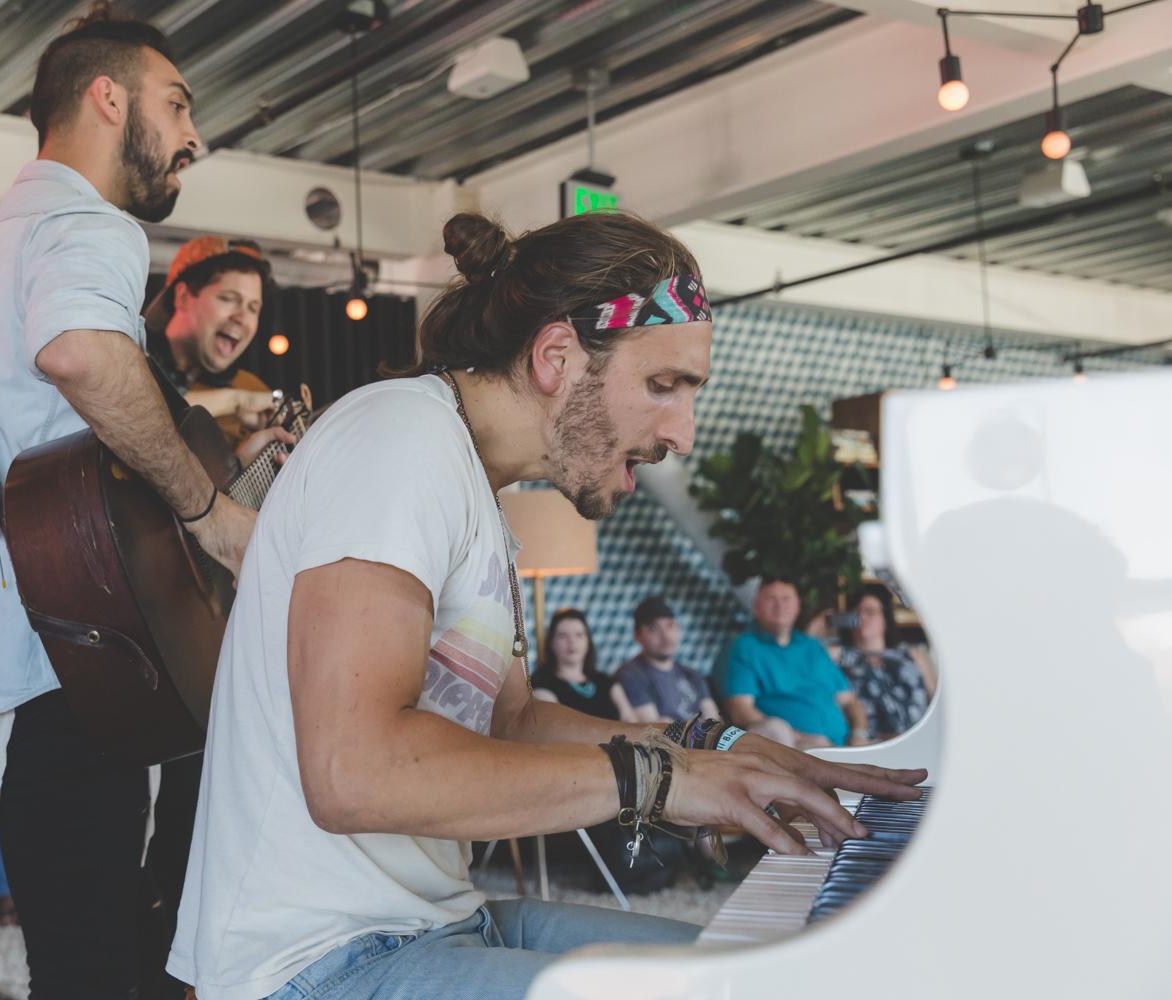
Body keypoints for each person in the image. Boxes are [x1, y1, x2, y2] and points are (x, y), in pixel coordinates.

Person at [168, 210, 926, 1000]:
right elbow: (351, 773)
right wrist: (654, 781)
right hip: (313, 961)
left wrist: (705, 747)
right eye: (663, 386)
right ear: (557, 356)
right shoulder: (399, 439)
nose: (685, 433)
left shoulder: (476, 494)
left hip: (435, 921)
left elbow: (514, 722)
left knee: (770, 973)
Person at [0, 6, 289, 996]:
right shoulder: (86, 223)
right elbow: (79, 352)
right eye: (178, 104)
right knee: (102, 967)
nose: (193, 135)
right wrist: (210, 511)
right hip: (66, 667)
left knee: (86, 953)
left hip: (1, 663)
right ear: (108, 98)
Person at [147, 235, 280, 451]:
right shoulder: (130, 360)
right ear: (182, 296)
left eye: (253, 308)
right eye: (228, 299)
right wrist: (236, 401)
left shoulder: (250, 388)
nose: (242, 318)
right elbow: (139, 413)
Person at [713, 576, 871, 749]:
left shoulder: (813, 646)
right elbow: (739, 711)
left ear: (797, 606)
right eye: (771, 598)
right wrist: (799, 738)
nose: (780, 605)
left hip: (845, 748)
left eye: (786, 599)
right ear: (756, 607)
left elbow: (849, 701)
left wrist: (859, 734)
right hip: (791, 750)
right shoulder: (741, 648)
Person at [835, 585, 937, 740]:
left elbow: (938, 699)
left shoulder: (910, 653)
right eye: (857, 612)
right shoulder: (839, 655)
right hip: (871, 743)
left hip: (920, 739)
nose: (863, 617)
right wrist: (821, 629)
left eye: (870, 611)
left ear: (885, 618)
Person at [614, 597, 720, 724]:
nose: (665, 636)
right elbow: (653, 728)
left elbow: (714, 721)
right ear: (637, 635)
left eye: (670, 626)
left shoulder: (692, 674)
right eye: (654, 629)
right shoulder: (631, 674)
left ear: (678, 627)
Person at [530, 608, 635, 721]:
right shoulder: (541, 683)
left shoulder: (606, 682)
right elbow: (555, 728)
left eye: (579, 635)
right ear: (551, 642)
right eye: (562, 635)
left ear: (588, 641)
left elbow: (630, 721)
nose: (572, 641)